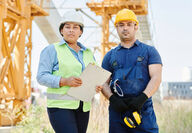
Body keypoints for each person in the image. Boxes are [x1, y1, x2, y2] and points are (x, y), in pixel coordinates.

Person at [36, 10, 102, 133]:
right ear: (62, 30)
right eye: (67, 27)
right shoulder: (52, 50)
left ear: (80, 31)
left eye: (75, 27)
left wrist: (96, 86)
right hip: (60, 106)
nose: (71, 30)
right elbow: (41, 76)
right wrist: (64, 81)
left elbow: (94, 76)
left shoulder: (88, 53)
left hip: (83, 107)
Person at [101, 9, 162, 133]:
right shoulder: (109, 56)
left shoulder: (150, 51)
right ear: (116, 28)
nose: (125, 28)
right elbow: (103, 83)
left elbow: (156, 77)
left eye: (129, 24)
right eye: (121, 25)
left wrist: (142, 98)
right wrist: (113, 99)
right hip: (117, 112)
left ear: (136, 27)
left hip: (143, 110)